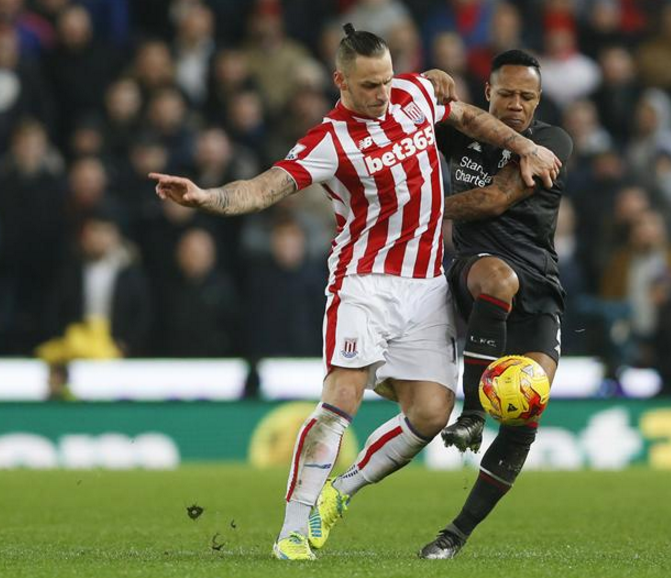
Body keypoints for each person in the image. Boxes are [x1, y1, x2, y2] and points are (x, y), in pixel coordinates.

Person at [149, 25, 561, 561]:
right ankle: (292, 530)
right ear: (340, 81)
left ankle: (340, 493)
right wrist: (207, 197)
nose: (383, 94)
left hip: (426, 286)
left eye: (387, 80)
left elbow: (464, 116)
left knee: (432, 413)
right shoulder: (329, 141)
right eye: (370, 85)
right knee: (340, 398)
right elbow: (265, 186)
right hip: (364, 283)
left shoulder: (412, 94)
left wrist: (524, 145)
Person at [417, 49, 573, 559]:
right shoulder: (462, 133)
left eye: (527, 96)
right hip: (476, 270)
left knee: (527, 413)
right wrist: (427, 82)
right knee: (498, 279)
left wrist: (418, 214)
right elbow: (408, 113)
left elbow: (494, 199)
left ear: (539, 100)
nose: (516, 105)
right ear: (488, 92)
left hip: (540, 285)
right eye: (506, 93)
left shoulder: (552, 143)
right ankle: (471, 414)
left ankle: (454, 535)